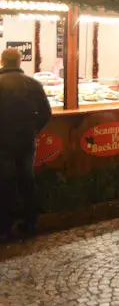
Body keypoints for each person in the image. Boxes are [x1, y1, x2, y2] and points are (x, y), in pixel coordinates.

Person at [0, 48, 51, 241]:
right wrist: (34, 129)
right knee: (27, 182)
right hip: (26, 142)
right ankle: (30, 224)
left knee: (5, 183)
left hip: (3, 142)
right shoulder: (33, 84)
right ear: (20, 62)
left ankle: (3, 229)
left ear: (2, 62)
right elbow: (46, 113)